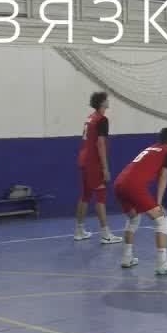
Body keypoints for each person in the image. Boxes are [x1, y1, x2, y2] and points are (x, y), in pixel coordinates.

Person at [113, 128, 167, 274]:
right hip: (133, 185)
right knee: (162, 220)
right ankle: (162, 265)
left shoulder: (151, 148)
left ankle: (127, 258)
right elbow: (163, 176)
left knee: (134, 218)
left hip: (119, 183)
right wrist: (159, 203)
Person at [75, 91, 121, 244]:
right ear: (102, 103)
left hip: (83, 159)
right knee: (100, 195)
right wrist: (105, 168)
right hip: (93, 162)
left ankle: (79, 231)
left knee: (85, 195)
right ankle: (106, 234)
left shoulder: (90, 118)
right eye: (106, 99)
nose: (108, 101)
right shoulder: (102, 119)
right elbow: (100, 144)